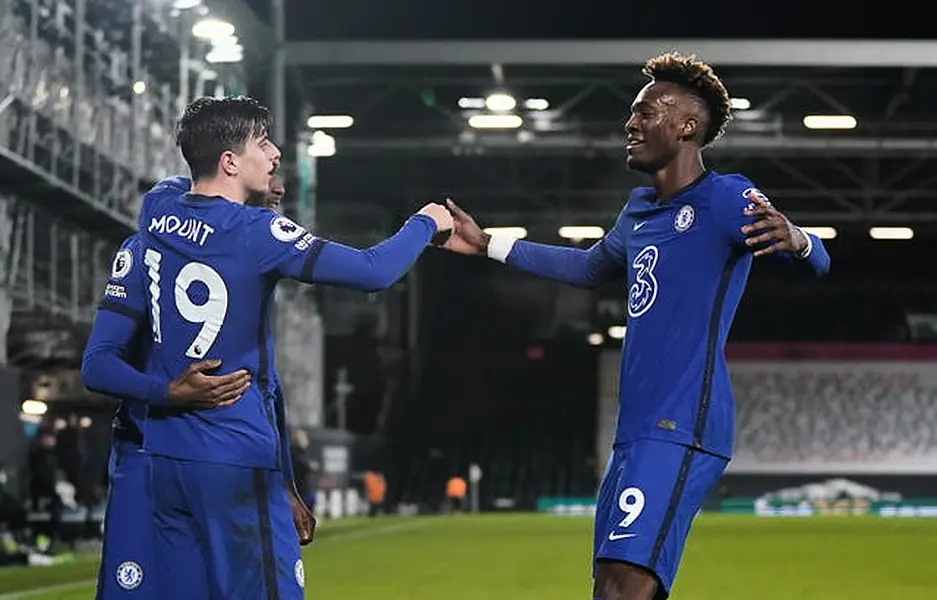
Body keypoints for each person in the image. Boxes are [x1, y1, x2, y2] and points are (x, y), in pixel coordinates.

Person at [442, 52, 830, 600]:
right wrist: (488, 244)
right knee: (610, 591)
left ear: (686, 126)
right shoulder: (640, 210)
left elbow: (818, 260)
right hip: (634, 433)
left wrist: (800, 238)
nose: (631, 124)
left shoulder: (725, 198)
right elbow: (589, 267)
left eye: (647, 113)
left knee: (623, 591)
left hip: (682, 425)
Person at [102, 95, 450, 600]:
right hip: (235, 458)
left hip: (165, 462)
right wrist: (425, 222)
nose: (275, 153)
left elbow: (168, 189)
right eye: (261, 144)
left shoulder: (157, 215)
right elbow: (375, 271)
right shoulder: (256, 232)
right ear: (229, 162)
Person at [82, 179, 296, 599]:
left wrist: (284, 480)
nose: (280, 186)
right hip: (148, 461)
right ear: (232, 169)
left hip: (230, 466)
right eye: (269, 170)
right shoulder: (148, 249)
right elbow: (98, 363)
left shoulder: (250, 256)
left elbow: (266, 385)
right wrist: (167, 393)